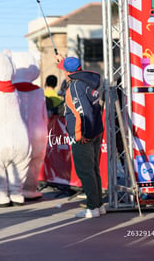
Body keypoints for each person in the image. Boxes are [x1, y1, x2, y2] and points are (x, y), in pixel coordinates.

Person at [55, 55, 105, 218]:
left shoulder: (75, 87)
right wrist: (62, 60)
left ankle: (92, 207)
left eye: (63, 69)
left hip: (85, 134)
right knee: (93, 168)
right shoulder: (87, 81)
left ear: (67, 73)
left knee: (85, 170)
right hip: (96, 130)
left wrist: (84, 134)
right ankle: (98, 205)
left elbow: (84, 112)